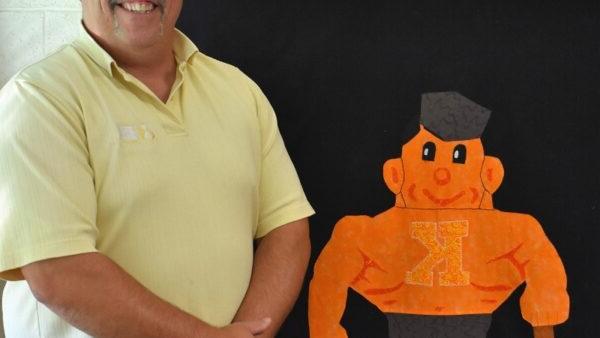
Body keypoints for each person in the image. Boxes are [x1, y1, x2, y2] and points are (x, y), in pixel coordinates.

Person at [0, 0, 314, 337]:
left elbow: (287, 228)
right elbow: (58, 272)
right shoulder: (39, 98)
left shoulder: (239, 91)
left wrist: (250, 333)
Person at [309, 92, 568, 338]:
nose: (442, 175)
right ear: (394, 174)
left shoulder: (517, 231)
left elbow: (539, 262)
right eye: (428, 154)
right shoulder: (361, 234)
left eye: (459, 156)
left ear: (490, 173)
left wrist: (544, 306)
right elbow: (331, 274)